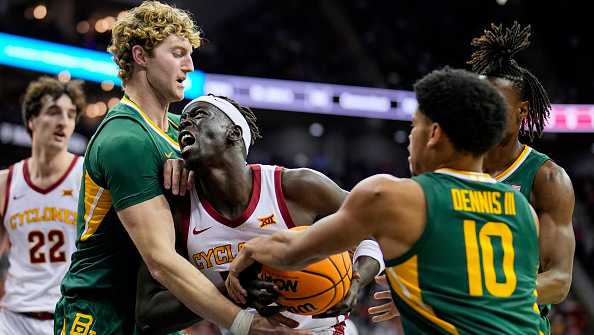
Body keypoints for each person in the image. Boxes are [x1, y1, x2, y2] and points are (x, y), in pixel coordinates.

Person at [227, 68, 545, 334]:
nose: (409, 141)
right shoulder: (523, 210)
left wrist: (251, 251)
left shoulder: (391, 195)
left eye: (413, 128)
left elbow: (293, 253)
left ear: (433, 134)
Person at [55, 2, 298, 335]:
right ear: (141, 56)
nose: (190, 64)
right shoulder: (124, 138)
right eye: (178, 53)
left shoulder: (178, 133)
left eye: (190, 54)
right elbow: (160, 262)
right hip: (101, 312)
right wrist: (242, 322)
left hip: (156, 311)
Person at [134, 94, 386, 335]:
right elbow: (149, 314)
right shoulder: (179, 209)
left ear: (233, 133)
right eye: (184, 119)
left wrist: (357, 279)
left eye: (198, 114)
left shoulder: (295, 187)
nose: (185, 122)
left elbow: (379, 227)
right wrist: (235, 291)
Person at [467, 22, 575, 335]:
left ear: (522, 111)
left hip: (516, 327)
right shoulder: (453, 167)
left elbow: (559, 281)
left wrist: (483, 299)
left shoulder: (548, 178)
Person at [0, 76, 86, 334]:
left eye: (71, 115)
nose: (64, 122)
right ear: (31, 120)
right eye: (53, 112)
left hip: (70, 316)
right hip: (13, 317)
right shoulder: (6, 182)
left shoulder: (87, 175)